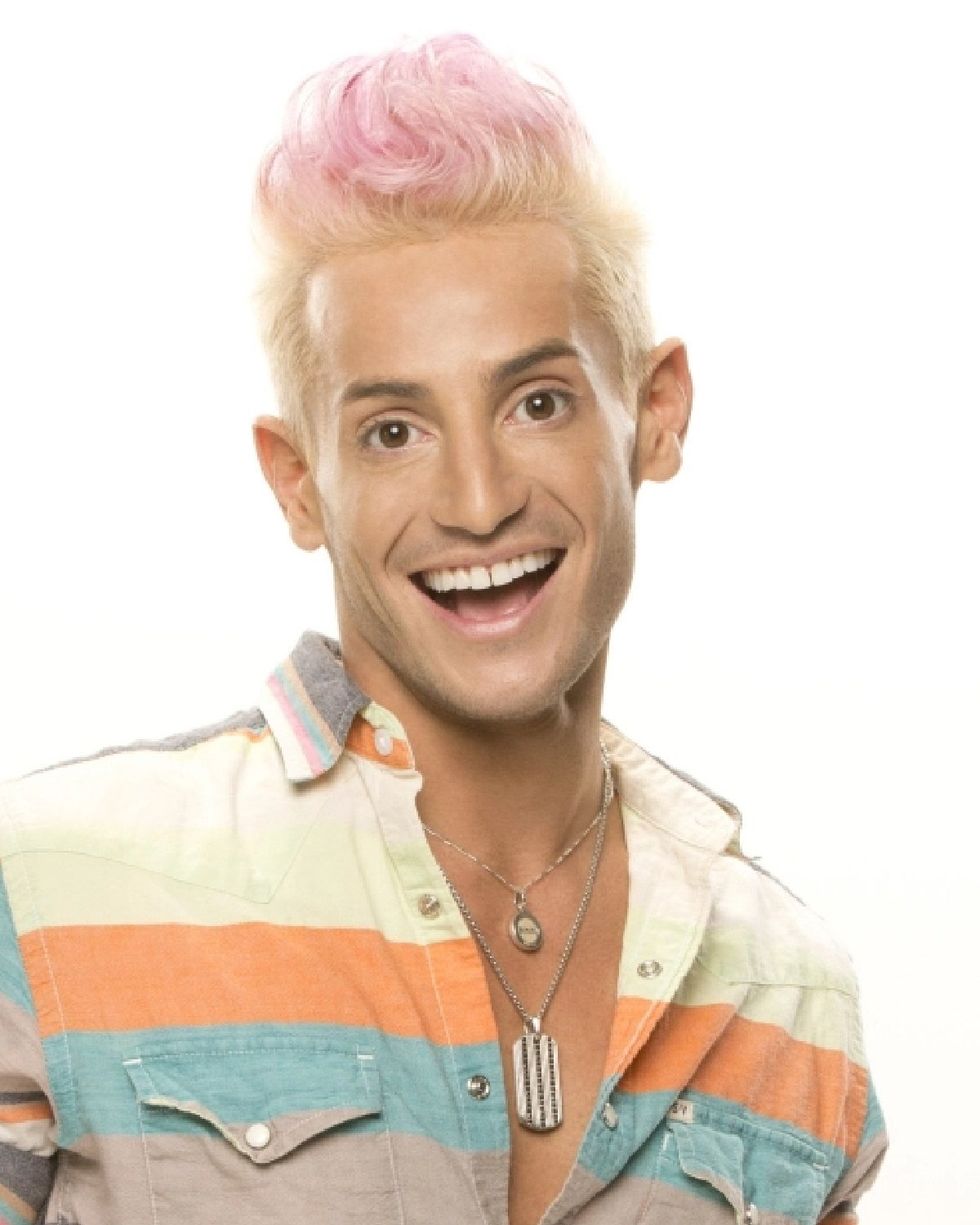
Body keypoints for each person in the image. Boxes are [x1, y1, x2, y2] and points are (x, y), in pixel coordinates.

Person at [0, 33, 886, 1225]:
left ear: (655, 413)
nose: (477, 501)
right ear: (298, 483)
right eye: (392, 431)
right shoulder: (49, 894)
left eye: (537, 402)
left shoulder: (787, 992)